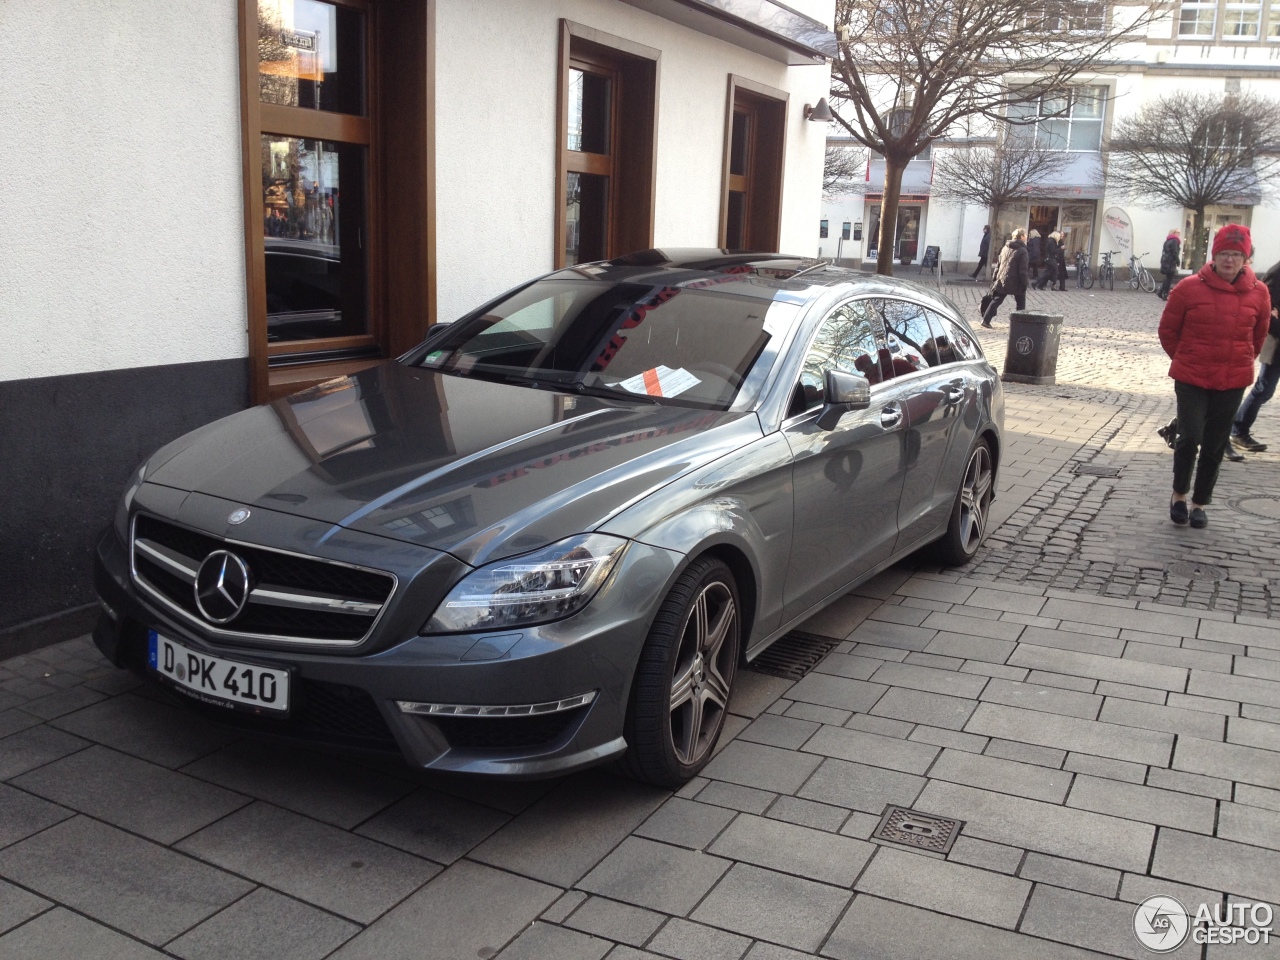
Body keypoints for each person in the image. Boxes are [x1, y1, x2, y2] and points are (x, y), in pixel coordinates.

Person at [1158, 224, 1271, 529]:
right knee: (1190, 436)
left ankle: (1199, 504)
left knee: (1214, 444)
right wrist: (1185, 358)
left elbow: (1259, 334)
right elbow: (1168, 330)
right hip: (1192, 377)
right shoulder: (1188, 288)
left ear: (1245, 258)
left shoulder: (1260, 293)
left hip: (1232, 380)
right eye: (1224, 254)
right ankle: (1179, 495)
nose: (1229, 260)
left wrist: (1243, 359)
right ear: (1214, 255)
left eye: (1236, 254)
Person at [1230, 259, 1280, 453]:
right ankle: (1238, 431)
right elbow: (1267, 312)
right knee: (1264, 389)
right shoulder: (1276, 273)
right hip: (1276, 345)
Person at [981, 228, 1029, 328]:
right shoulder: (1023, 251)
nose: (1026, 236)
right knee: (1020, 302)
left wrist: (995, 277)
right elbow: (1023, 270)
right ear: (1021, 237)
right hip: (1016, 281)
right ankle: (1020, 324)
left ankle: (985, 320)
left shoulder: (1005, 247)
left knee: (997, 300)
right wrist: (1025, 282)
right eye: (1025, 235)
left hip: (1002, 278)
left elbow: (998, 264)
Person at [1158, 229, 1182, 300]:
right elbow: (1175, 252)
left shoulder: (1167, 241)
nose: (1179, 234)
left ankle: (1161, 292)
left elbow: (1164, 251)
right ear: (1174, 233)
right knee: (1169, 278)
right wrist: (1178, 261)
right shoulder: (1175, 240)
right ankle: (1165, 293)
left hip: (1166, 261)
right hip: (1171, 261)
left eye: (1179, 233)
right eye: (1177, 232)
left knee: (1167, 277)